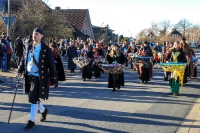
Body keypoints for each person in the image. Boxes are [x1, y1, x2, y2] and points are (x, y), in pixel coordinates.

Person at [16, 28, 58, 131]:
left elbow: (51, 65)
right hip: (28, 75)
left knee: (33, 99)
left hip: (38, 77)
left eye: (37, 34)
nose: (34, 35)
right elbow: (23, 60)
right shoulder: (28, 46)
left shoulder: (45, 49)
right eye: (34, 33)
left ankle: (31, 121)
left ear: (42, 36)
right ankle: (43, 111)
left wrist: (54, 79)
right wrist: (19, 71)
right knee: (33, 97)